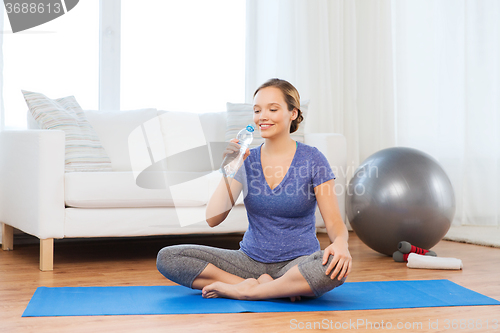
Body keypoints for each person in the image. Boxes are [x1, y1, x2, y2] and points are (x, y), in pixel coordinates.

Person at [157, 78, 352, 301]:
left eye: (273, 109)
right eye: (257, 110)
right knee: (169, 257)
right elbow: (213, 219)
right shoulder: (246, 159)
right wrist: (231, 170)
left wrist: (340, 244)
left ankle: (249, 291)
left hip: (297, 263)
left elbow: (335, 222)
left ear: (293, 114)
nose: (263, 116)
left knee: (333, 270)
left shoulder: (313, 159)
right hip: (249, 262)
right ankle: (267, 288)